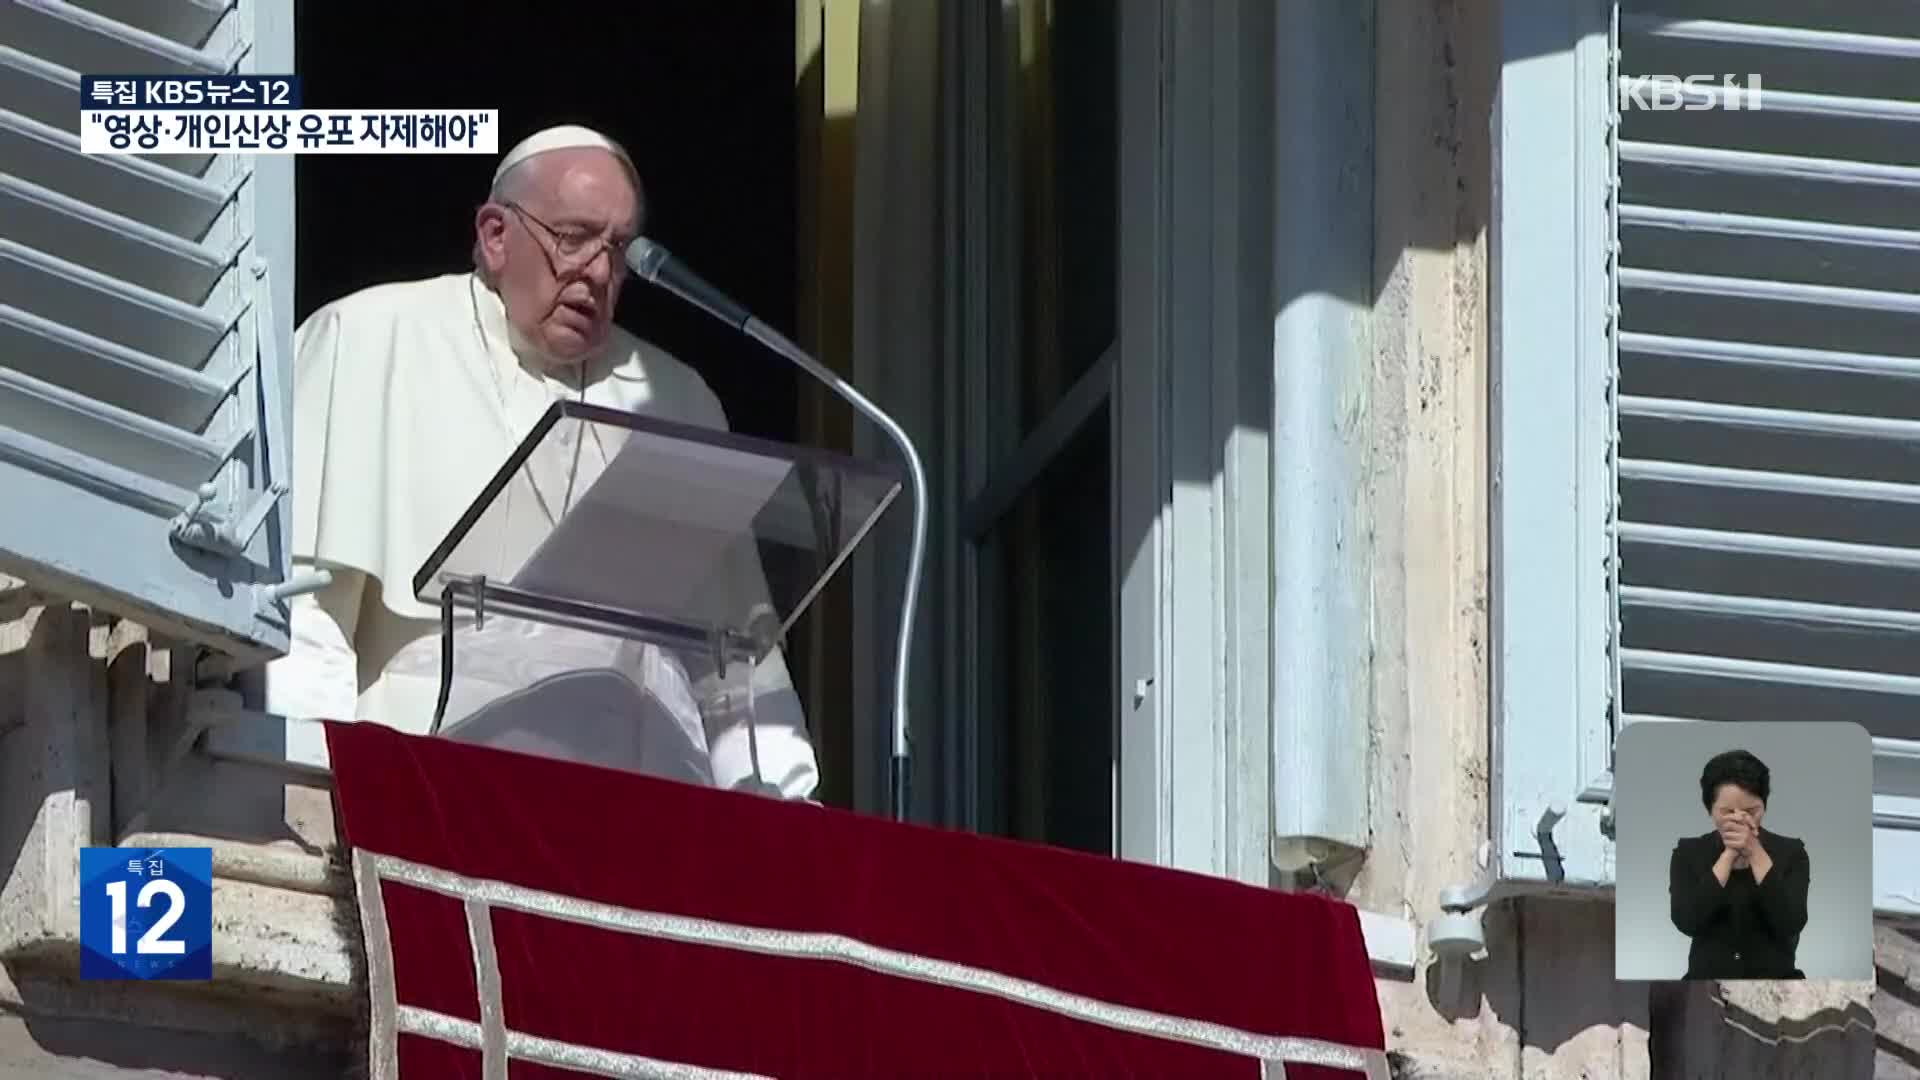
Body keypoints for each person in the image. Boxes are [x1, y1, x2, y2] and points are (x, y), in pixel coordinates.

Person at [264, 124, 819, 800]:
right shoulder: (373, 339)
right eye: (573, 237)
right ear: (496, 235)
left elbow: (738, 668)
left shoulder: (676, 400)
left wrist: (788, 818)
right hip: (435, 795)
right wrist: (310, 791)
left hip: (650, 811)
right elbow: (308, 616)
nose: (597, 270)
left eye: (618, 249)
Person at [1667, 749, 1809, 979]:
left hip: (1775, 985)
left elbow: (1791, 922)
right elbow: (1687, 920)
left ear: (1764, 806)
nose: (1740, 819)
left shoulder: (1792, 853)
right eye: (1727, 812)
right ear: (1710, 810)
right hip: (1707, 984)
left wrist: (1754, 852)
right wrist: (1728, 856)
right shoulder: (1688, 853)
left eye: (1751, 811)